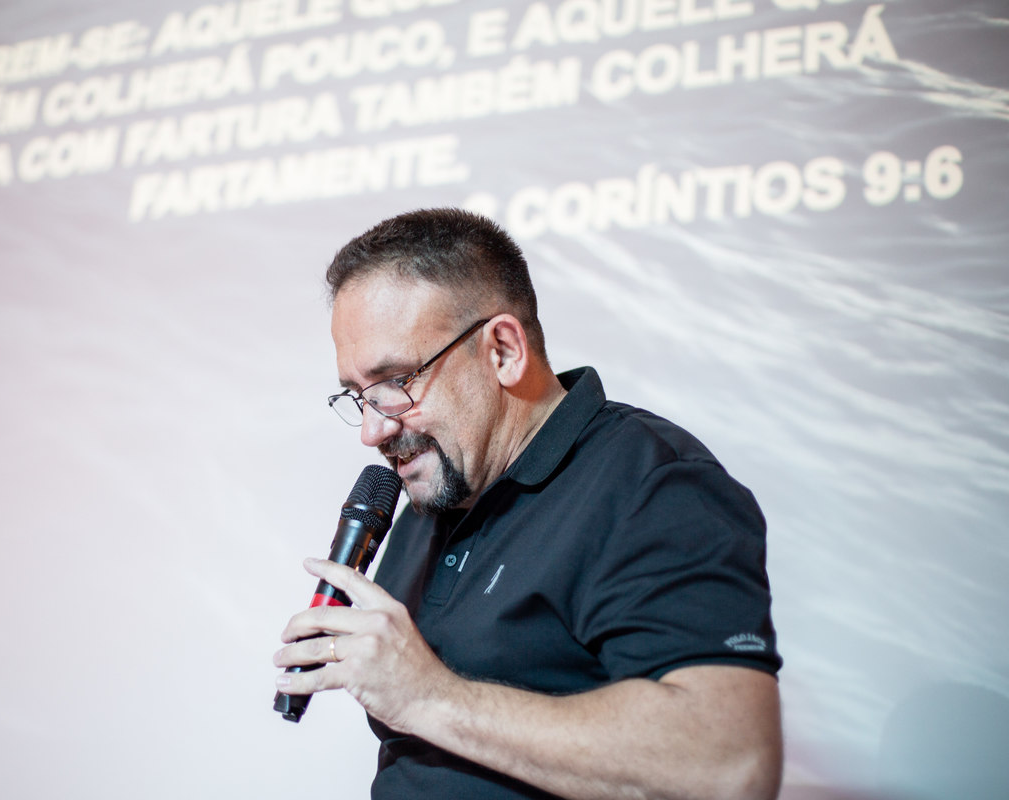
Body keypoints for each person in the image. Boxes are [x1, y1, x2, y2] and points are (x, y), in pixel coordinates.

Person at [273, 208, 783, 800]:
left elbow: (729, 764)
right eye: (358, 395)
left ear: (503, 351)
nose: (372, 431)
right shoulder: (430, 500)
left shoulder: (651, 484)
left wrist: (429, 697)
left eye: (398, 382)